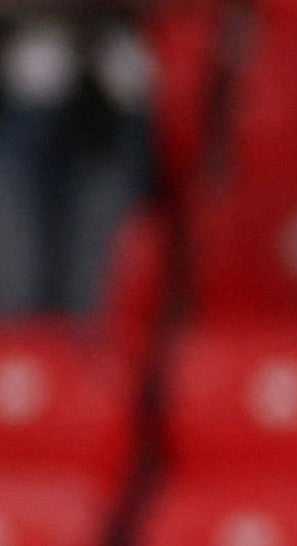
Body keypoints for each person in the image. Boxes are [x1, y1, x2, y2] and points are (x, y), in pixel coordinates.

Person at [0, 0, 151, 318]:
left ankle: (80, 363)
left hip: (112, 100)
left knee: (94, 284)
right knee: (18, 280)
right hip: (23, 93)